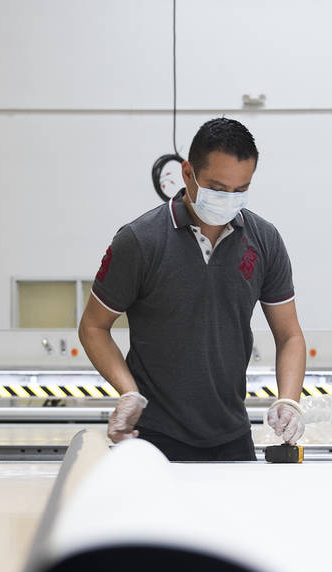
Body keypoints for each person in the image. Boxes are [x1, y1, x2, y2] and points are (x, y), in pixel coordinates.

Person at [79, 118, 306, 461]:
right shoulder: (140, 241)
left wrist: (289, 400)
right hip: (154, 436)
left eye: (240, 189)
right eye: (217, 187)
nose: (228, 199)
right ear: (188, 174)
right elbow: (93, 327)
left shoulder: (264, 240)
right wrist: (128, 393)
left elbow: (289, 334)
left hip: (231, 435)